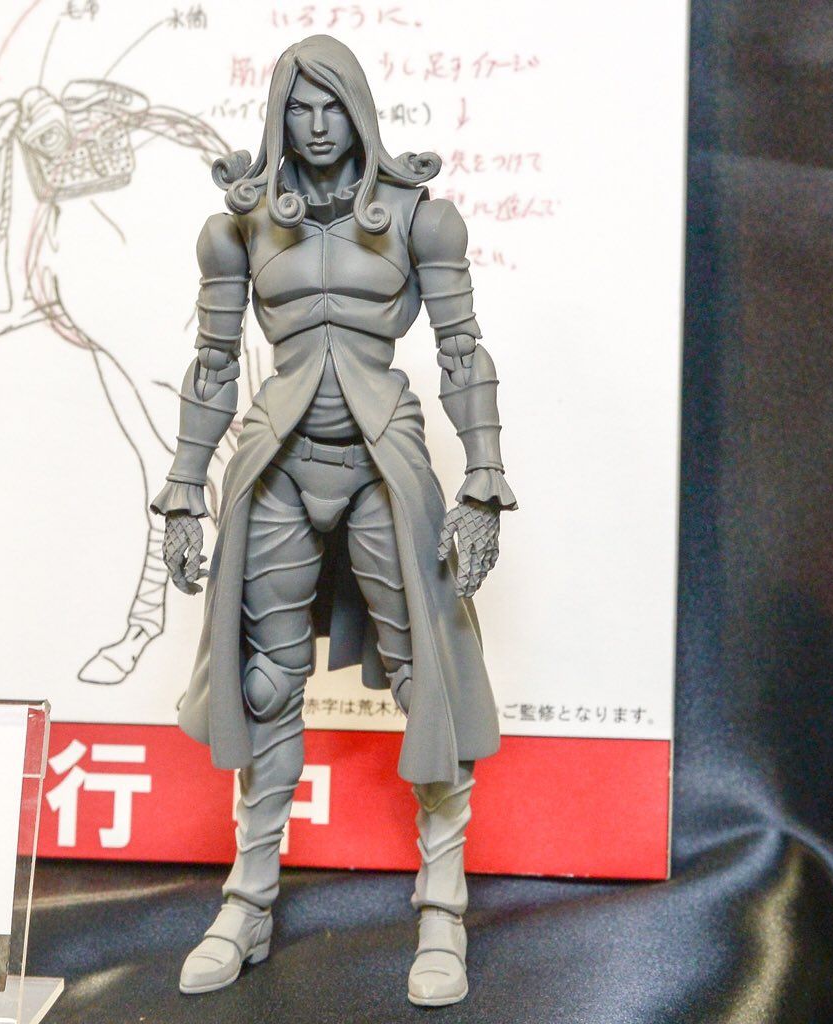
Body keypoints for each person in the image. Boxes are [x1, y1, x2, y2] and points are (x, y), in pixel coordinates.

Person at [152, 33, 517, 1007]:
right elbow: (214, 364)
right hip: (275, 461)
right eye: (298, 109)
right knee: (266, 683)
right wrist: (183, 487)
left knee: (426, 678)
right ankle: (248, 901)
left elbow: (461, 350)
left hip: (379, 460)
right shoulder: (238, 226)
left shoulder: (418, 217)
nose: (316, 127)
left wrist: (484, 477)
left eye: (331, 107)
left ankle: (441, 905)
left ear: (359, 112)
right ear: (278, 116)